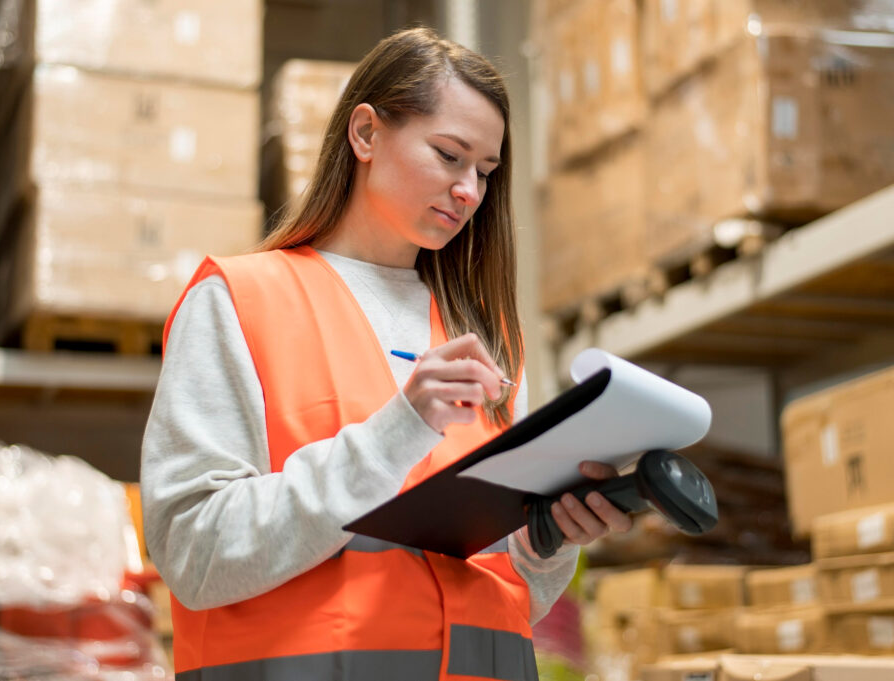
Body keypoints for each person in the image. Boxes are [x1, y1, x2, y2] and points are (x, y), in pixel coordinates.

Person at [141, 27, 632, 681]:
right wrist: (396, 432)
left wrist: (544, 543)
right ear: (366, 134)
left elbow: (497, 597)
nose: (470, 192)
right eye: (449, 155)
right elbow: (195, 553)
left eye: (485, 172)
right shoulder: (240, 299)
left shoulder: (477, 335)